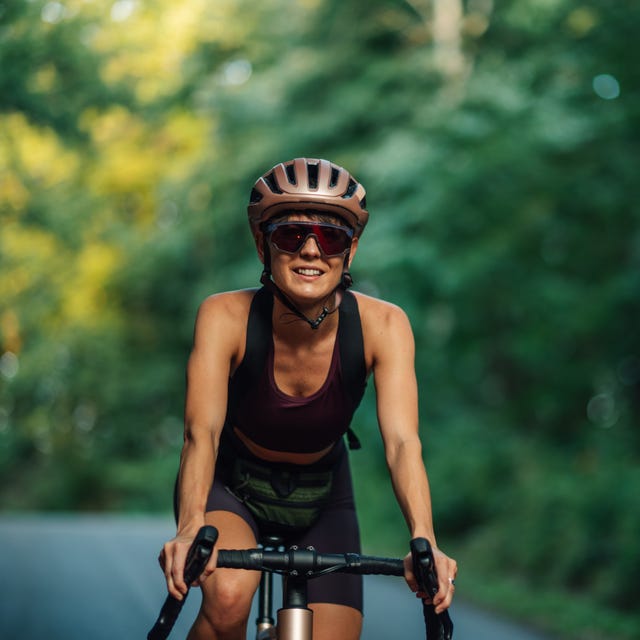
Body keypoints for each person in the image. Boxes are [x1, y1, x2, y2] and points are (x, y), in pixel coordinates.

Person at [159, 157, 457, 640]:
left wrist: (425, 540)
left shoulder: (385, 326)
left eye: (332, 237)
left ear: (351, 251)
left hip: (324, 494)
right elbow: (201, 433)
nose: (312, 251)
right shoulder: (223, 316)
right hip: (231, 485)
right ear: (263, 244)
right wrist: (190, 525)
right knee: (230, 598)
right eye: (291, 236)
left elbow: (403, 442)